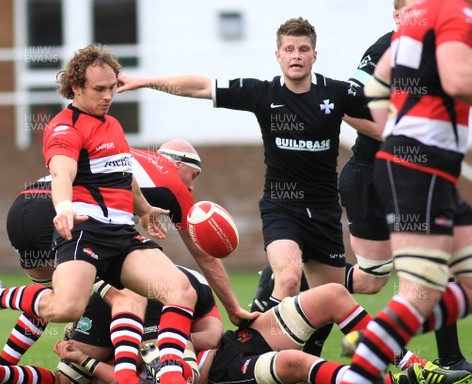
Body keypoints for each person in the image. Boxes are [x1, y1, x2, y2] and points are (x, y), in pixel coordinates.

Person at [0, 44, 218, 384]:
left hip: (122, 236)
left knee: (180, 290)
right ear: (76, 88)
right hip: (85, 232)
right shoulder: (64, 127)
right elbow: (62, 171)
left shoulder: (113, 125)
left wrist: (143, 209)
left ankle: (171, 383)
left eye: (111, 88)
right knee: (65, 308)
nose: (108, 96)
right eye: (99, 89)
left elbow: (125, 175)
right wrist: (63, 206)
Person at [117, 17, 382, 356]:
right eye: (289, 49)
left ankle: (305, 357)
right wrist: (144, 81)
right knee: (287, 277)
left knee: (328, 293)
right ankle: (256, 353)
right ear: (278, 55)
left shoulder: (338, 93)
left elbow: (386, 114)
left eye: (303, 49)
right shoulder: (263, 93)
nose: (296, 56)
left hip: (326, 212)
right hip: (281, 207)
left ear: (315, 55)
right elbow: (200, 86)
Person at [252, 0, 472, 373]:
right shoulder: (387, 47)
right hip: (375, 174)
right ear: (397, 15)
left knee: (372, 281)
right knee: (434, 259)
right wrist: (399, 136)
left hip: (415, 172)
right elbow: (352, 106)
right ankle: (427, 355)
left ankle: (301, 277)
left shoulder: (445, 46)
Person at [321, 0, 472, 384]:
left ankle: (375, 344)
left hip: (422, 167)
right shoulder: (451, 12)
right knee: (420, 285)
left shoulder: (418, 23)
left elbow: (377, 85)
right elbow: (460, 81)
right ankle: (358, 377)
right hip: (418, 168)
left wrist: (400, 129)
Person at [0, 281, 471, 384]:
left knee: (333, 292)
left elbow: (214, 327)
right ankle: (375, 378)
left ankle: (406, 362)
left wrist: (205, 338)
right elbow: (93, 371)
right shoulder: (98, 300)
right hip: (209, 373)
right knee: (289, 362)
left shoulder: (168, 275)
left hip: (231, 342)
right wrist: (87, 355)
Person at [0, 138, 255, 369]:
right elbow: (205, 256)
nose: (192, 185)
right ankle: (128, 379)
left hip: (24, 206)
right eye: (194, 175)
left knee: (47, 299)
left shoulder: (133, 155)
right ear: (177, 165)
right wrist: (233, 308)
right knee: (128, 294)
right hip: (63, 214)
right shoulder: (172, 182)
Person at [0, 265, 224, 384]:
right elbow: (213, 336)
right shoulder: (191, 286)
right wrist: (166, 341)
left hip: (106, 292)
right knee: (177, 375)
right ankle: (158, 364)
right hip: (142, 292)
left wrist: (106, 358)